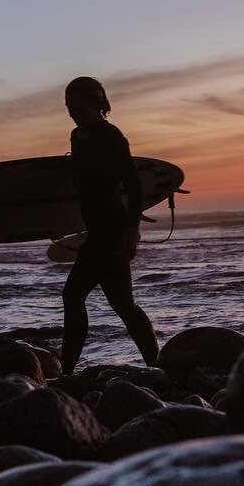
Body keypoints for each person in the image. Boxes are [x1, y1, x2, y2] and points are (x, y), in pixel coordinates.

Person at [60, 76, 159, 375]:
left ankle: (66, 371)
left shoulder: (111, 135)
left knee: (76, 295)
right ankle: (157, 365)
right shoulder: (77, 136)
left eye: (75, 105)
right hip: (97, 230)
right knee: (122, 304)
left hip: (113, 230)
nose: (70, 111)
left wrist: (132, 232)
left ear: (94, 102)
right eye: (67, 106)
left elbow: (133, 185)